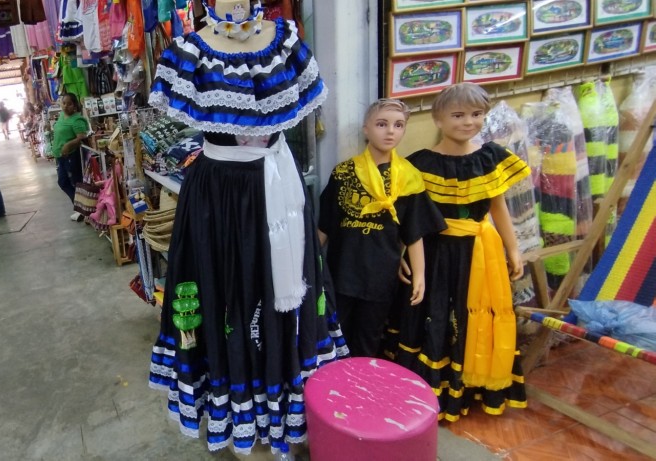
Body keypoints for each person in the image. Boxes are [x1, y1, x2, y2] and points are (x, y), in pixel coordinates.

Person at [146, 1, 346, 455]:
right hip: (217, 196)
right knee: (223, 295)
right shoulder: (188, 53)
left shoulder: (286, 43)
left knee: (282, 295)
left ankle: (283, 406)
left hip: (277, 190)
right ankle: (240, 402)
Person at [394, 82, 530, 422]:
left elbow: (498, 207)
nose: (468, 122)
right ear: (438, 119)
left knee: (475, 316)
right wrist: (402, 254)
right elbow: (408, 218)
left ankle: (470, 386)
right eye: (458, 115)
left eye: (476, 114)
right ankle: (430, 390)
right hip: (435, 253)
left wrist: (513, 248)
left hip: (481, 253)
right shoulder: (419, 164)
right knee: (436, 312)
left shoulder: (490, 157)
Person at [317, 99, 445, 358]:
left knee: (369, 337)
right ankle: (333, 390)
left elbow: (414, 231)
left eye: (398, 125)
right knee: (333, 334)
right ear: (366, 129)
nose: (390, 131)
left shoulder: (408, 178)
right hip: (342, 270)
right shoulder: (343, 173)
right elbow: (325, 226)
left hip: (380, 274)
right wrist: (309, 266)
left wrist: (419, 275)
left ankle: (362, 389)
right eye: (381, 124)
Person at [51, 93, 89, 221]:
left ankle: (81, 209)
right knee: (63, 182)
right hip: (60, 156)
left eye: (69, 104)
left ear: (74, 106)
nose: (66, 106)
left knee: (76, 182)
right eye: (64, 103)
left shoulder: (77, 120)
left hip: (71, 156)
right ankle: (80, 208)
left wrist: (68, 144)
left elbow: (82, 136)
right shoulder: (62, 116)